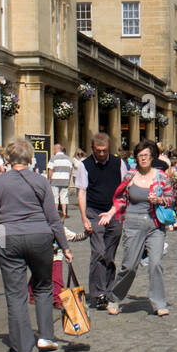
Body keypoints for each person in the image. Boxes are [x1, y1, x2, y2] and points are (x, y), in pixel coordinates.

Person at [0, 137, 72, 352]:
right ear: (30, 158)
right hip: (40, 234)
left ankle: (22, 346)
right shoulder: (40, 181)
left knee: (15, 293)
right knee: (43, 286)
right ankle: (46, 337)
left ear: (8, 158)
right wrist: (64, 246)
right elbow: (53, 218)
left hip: (7, 236)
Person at [99, 140, 176, 316]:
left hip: (155, 225)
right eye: (140, 156)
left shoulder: (161, 176)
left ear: (152, 157)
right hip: (133, 225)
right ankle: (115, 298)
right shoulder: (130, 176)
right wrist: (111, 213)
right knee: (130, 266)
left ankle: (159, 303)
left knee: (155, 263)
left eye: (146, 155)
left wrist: (160, 200)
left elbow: (171, 198)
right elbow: (121, 199)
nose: (143, 159)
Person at [78, 131, 123, 310]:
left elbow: (123, 190)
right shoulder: (85, 165)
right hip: (94, 211)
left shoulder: (119, 163)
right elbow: (82, 191)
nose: (102, 154)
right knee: (98, 251)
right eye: (98, 151)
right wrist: (83, 218)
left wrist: (120, 213)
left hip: (114, 213)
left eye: (104, 150)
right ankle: (98, 293)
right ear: (92, 149)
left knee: (109, 254)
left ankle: (108, 289)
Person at [48, 143, 75, 221]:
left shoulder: (53, 158)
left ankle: (55, 212)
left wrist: (50, 179)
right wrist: (69, 179)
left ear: (57, 149)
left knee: (55, 197)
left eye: (54, 149)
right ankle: (64, 213)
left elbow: (50, 170)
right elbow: (70, 169)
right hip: (65, 180)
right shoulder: (68, 158)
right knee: (64, 197)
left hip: (55, 180)